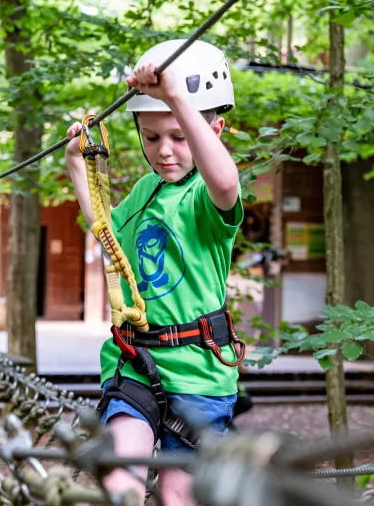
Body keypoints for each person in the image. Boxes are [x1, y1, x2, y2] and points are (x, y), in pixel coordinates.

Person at [65, 39, 244, 505]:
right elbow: (106, 232)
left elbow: (225, 181)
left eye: (179, 136)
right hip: (136, 365)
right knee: (121, 482)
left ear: (214, 130)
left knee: (176, 497)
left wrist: (177, 99)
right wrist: (74, 163)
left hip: (200, 375)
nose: (165, 151)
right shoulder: (147, 190)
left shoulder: (207, 198)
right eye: (151, 137)